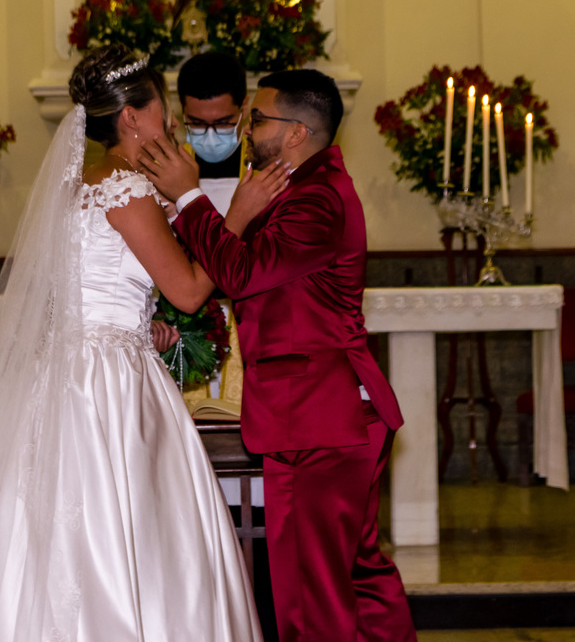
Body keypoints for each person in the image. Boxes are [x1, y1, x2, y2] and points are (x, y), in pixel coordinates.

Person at [0, 45, 287, 642]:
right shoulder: (126, 187)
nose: (171, 121)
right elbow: (187, 292)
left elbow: (77, 295)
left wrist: (139, 324)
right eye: (161, 106)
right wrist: (236, 214)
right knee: (124, 529)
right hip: (109, 385)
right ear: (133, 117)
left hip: (75, 367)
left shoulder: (83, 182)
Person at [140, 71, 418, 641]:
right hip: (330, 415)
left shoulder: (316, 199)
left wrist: (192, 196)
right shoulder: (301, 189)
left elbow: (240, 275)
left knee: (309, 593)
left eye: (258, 119)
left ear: (296, 133)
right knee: (358, 576)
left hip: (317, 418)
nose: (247, 128)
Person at [178, 51, 247, 215]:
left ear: (244, 108)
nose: (210, 136)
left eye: (222, 123)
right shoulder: (171, 167)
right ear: (183, 111)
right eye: (197, 123)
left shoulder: (264, 168)